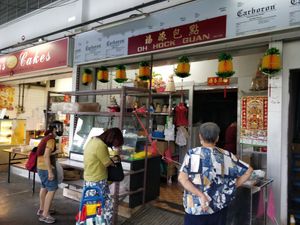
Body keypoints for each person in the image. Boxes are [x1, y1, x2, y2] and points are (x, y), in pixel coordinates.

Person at [178, 122, 253, 225]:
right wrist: (231, 186)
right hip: (218, 208)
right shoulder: (227, 155)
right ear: (217, 138)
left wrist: (201, 195)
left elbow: (182, 179)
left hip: (195, 208)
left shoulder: (192, 154)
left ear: (200, 136)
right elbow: (248, 171)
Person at [83, 127, 124, 225]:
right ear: (112, 138)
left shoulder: (93, 140)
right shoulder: (101, 145)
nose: (114, 145)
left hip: (90, 180)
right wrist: (117, 155)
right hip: (97, 181)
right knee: (105, 208)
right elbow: (107, 163)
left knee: (92, 208)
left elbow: (101, 158)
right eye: (116, 143)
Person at [37, 120, 64, 224]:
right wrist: (50, 171)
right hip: (46, 168)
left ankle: (42, 209)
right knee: (52, 190)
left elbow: (45, 154)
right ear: (54, 129)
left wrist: (55, 152)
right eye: (59, 128)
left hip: (40, 166)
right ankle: (45, 215)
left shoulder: (46, 137)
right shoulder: (51, 140)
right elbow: (46, 155)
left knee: (44, 187)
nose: (61, 130)